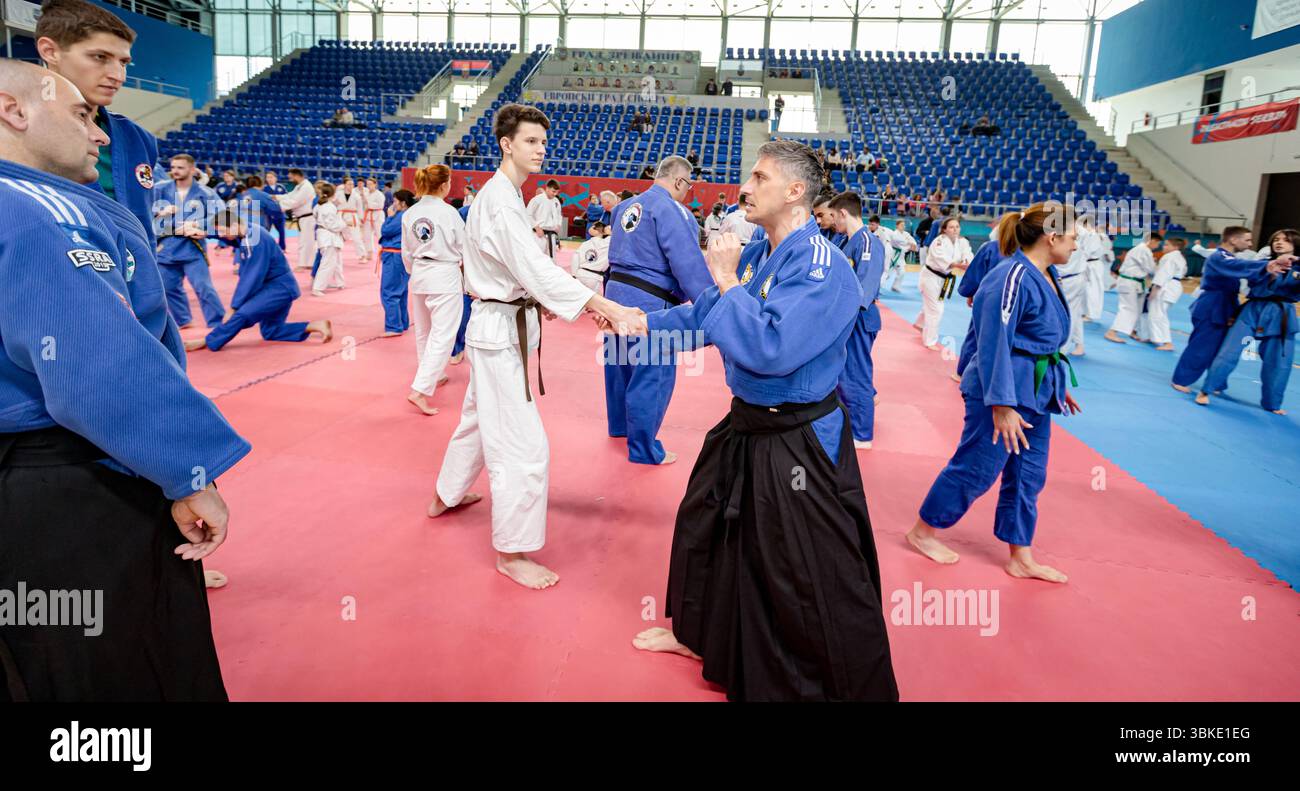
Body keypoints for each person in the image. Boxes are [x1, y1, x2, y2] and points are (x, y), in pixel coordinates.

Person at [0, 60, 249, 701]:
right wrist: (189, 468)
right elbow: (99, 368)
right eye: (81, 114)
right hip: (69, 481)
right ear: (14, 110)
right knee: (114, 667)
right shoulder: (38, 212)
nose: (102, 134)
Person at [630, 140, 897, 702]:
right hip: (744, 424)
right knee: (705, 526)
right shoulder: (756, 252)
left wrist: (726, 279)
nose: (744, 188)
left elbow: (770, 348)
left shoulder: (826, 267)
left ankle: (835, 683)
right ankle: (697, 633)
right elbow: (707, 315)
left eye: (758, 177)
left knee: (802, 568)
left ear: (795, 191)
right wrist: (637, 322)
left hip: (797, 438)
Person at [426, 104, 644, 590]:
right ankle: (512, 551)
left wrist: (544, 299)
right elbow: (535, 268)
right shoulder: (502, 202)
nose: (540, 150)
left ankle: (445, 494)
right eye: (530, 142)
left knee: (479, 419)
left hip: (499, 321)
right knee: (523, 446)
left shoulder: (505, 196)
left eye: (543, 143)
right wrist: (603, 306)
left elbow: (517, 272)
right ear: (507, 144)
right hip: (498, 330)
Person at [907, 203, 1082, 585]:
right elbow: (993, 342)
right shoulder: (1011, 276)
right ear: (1052, 237)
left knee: (1028, 474)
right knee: (978, 467)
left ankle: (1021, 555)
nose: (1075, 246)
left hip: (1035, 390)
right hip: (1000, 390)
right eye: (1073, 238)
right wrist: (1001, 404)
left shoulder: (1048, 274)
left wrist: (1058, 386)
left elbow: (1045, 340)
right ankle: (923, 530)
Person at [605, 156, 714, 465]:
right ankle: (644, 449)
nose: (687, 193)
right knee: (651, 374)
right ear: (679, 181)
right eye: (688, 186)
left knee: (619, 364)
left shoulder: (626, 206)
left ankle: (620, 427)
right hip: (650, 301)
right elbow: (687, 262)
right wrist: (710, 304)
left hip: (615, 293)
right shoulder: (672, 210)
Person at [183, 209, 332, 353]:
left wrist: (234, 307)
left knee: (242, 314)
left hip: (279, 289)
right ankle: (316, 325)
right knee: (271, 331)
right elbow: (232, 237)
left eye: (223, 231)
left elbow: (250, 279)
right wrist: (207, 234)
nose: (222, 234)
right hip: (279, 287)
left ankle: (207, 341)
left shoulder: (254, 241)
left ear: (234, 225)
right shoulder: (247, 230)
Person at [1197, 230, 1299, 412]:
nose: (1279, 243)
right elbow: (1248, 276)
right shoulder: (1261, 263)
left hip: (1281, 314)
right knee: (1229, 351)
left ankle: (1272, 403)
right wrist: (1271, 271)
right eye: (1276, 239)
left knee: (1279, 361)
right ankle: (1207, 390)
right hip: (1253, 310)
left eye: (1285, 240)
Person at [1172, 227, 1268, 393]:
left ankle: (1216, 382)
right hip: (1212, 305)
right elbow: (1239, 266)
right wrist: (1268, 265)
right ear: (1233, 240)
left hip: (1227, 304)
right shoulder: (1219, 256)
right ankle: (1182, 378)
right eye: (1247, 240)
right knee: (1202, 345)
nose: (1250, 244)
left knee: (1220, 347)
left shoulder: (1230, 257)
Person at [403, 165, 466, 416]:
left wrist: (414, 271)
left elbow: (406, 250)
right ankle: (420, 389)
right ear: (443, 185)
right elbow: (464, 248)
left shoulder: (411, 213)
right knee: (443, 334)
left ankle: (434, 374)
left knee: (424, 332)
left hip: (419, 273)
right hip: (444, 274)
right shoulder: (449, 213)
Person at [829, 191, 886, 448]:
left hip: (859, 317)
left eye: (833, 216)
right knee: (843, 372)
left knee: (856, 373)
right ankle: (854, 417)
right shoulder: (846, 241)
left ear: (843, 213)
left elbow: (866, 287)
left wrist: (842, 315)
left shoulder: (869, 242)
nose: (833, 222)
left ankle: (862, 434)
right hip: (845, 315)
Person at [152, 154, 226, 329]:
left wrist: (198, 224)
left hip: (192, 248)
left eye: (180, 167)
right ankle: (184, 320)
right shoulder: (159, 189)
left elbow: (223, 217)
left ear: (192, 170)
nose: (175, 171)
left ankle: (217, 323)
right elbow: (142, 211)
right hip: (166, 247)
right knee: (168, 288)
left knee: (204, 288)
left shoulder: (206, 193)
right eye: (173, 167)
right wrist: (159, 213)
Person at [917, 217, 971, 350]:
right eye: (951, 227)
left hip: (944, 278)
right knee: (936, 309)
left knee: (932, 304)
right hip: (930, 277)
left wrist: (965, 261)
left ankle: (920, 323)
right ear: (944, 230)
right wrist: (958, 265)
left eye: (957, 226)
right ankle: (930, 341)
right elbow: (941, 259)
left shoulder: (962, 242)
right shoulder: (939, 242)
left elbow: (968, 254)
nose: (955, 230)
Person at [1104, 232, 1160, 344]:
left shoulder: (1141, 249)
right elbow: (1150, 269)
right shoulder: (1144, 250)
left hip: (1136, 283)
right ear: (1152, 241)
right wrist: (1159, 268)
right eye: (1157, 243)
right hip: (1129, 282)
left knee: (1138, 309)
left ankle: (1132, 330)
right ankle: (1112, 332)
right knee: (1128, 308)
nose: (1158, 246)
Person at [1057, 215, 1101, 356]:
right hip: (1070, 275)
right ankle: (1079, 345)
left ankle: (1062, 349)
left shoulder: (1080, 232)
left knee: (1067, 313)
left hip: (1071, 277)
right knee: (1074, 313)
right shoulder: (1081, 232)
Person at [378, 189, 415, 337]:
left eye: (395, 201)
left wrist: (389, 217)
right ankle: (403, 322)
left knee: (389, 292)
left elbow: (385, 231)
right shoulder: (409, 215)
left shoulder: (400, 216)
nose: (393, 205)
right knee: (401, 291)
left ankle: (393, 326)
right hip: (400, 256)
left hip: (394, 256)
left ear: (403, 203)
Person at [1146, 237, 1188, 352]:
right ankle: (1154, 337)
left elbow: (1164, 274)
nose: (1163, 247)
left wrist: (1155, 289)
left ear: (1175, 247)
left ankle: (1167, 342)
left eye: (1167, 245)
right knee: (1156, 313)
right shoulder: (1179, 257)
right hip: (1172, 286)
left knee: (1159, 314)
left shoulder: (1170, 257)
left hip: (1166, 286)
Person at [311, 181, 346, 296]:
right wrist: (344, 223)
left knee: (335, 261)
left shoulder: (319, 205)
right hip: (328, 237)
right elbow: (333, 225)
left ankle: (339, 282)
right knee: (327, 263)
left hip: (325, 235)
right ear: (333, 194)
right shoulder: (329, 207)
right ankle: (317, 287)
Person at [278, 168, 317, 271]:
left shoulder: (306, 187)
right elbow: (289, 196)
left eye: (291, 177)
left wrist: (278, 206)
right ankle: (309, 263)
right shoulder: (300, 186)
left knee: (305, 242)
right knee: (307, 241)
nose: (290, 179)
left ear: (297, 175)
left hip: (307, 218)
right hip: (303, 218)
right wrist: (275, 197)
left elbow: (295, 201)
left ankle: (302, 264)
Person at [526, 178, 563, 259]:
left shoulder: (556, 201)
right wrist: (536, 227)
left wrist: (558, 225)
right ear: (547, 188)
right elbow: (528, 215)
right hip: (539, 234)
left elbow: (559, 215)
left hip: (551, 234)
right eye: (553, 191)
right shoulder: (537, 199)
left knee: (551, 259)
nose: (555, 194)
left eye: (557, 192)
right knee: (537, 258)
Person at [572, 220, 610, 293]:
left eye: (594, 227)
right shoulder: (607, 243)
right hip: (594, 277)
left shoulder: (585, 244)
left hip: (581, 274)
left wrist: (574, 274)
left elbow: (575, 259)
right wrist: (607, 230)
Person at [880, 218, 916, 292]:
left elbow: (913, 241)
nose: (903, 227)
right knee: (887, 273)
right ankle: (878, 287)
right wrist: (909, 244)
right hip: (893, 255)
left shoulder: (906, 234)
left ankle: (895, 286)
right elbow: (900, 241)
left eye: (904, 225)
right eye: (901, 225)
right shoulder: (895, 233)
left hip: (901, 256)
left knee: (902, 272)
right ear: (897, 226)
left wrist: (912, 244)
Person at [263, 170, 288, 249]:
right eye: (268, 177)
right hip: (268, 214)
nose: (269, 179)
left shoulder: (281, 187)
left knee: (282, 231)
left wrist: (285, 207)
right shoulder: (264, 189)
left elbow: (287, 198)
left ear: (276, 178)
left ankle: (282, 247)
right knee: (266, 231)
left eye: (271, 177)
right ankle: (265, 247)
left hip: (279, 213)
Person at [363, 176, 386, 262]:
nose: (368, 186)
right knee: (367, 235)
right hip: (368, 215)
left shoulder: (380, 194)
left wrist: (368, 202)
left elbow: (380, 206)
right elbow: (365, 206)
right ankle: (369, 252)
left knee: (380, 235)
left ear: (375, 184)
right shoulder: (366, 194)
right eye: (367, 184)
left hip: (378, 215)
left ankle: (383, 252)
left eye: (370, 184)